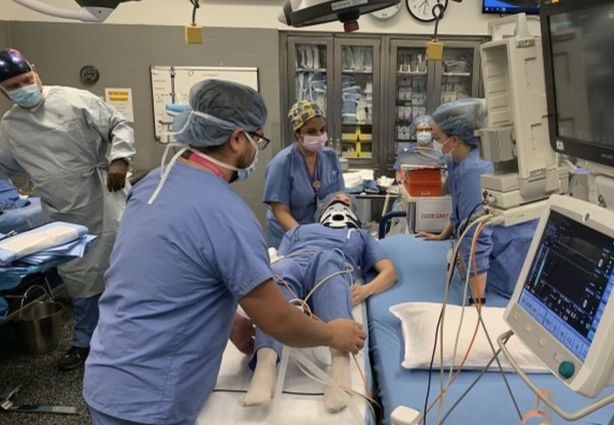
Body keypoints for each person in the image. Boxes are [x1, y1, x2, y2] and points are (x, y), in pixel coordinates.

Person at [83, 80, 365, 425]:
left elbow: (159, 274)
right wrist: (333, 333)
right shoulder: (227, 213)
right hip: (153, 398)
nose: (256, 149)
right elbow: (276, 319)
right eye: (256, 139)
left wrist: (227, 320)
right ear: (236, 139)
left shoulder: (152, 184)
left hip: (107, 377)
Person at [0, 48, 134, 370]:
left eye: (27, 80)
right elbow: (6, 164)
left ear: (36, 70)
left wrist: (119, 158)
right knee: (80, 283)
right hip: (61, 212)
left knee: (120, 274)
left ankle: (128, 343)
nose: (24, 89)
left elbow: (119, 124)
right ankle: (85, 343)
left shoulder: (75, 100)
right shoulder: (10, 126)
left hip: (104, 199)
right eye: (14, 86)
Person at [245, 193, 396, 412]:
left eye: (345, 201)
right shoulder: (298, 230)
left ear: (353, 211)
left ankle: (340, 365)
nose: (340, 202)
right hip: (294, 261)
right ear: (322, 211)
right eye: (335, 200)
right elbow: (279, 256)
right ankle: (264, 366)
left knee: (328, 262)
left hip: (333, 261)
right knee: (278, 271)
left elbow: (389, 272)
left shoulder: (360, 234)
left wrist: (364, 290)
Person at [417, 99, 537, 302]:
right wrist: (444, 235)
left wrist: (477, 301)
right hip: (489, 252)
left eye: (437, 138)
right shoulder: (457, 160)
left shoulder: (475, 170)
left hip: (507, 264)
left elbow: (476, 235)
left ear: (454, 140)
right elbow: (462, 211)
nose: (435, 143)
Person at [263, 100, 345, 248]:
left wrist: (341, 201)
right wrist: (304, 238)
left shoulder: (330, 157)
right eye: (311, 131)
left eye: (323, 129)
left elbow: (338, 194)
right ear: (298, 133)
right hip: (287, 236)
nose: (319, 136)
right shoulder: (283, 163)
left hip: (320, 232)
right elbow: (280, 211)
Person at [393, 115, 443, 182]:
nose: (424, 133)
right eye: (420, 130)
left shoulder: (439, 153)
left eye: (427, 129)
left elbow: (443, 176)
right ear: (415, 133)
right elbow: (399, 173)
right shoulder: (406, 152)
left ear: (433, 132)